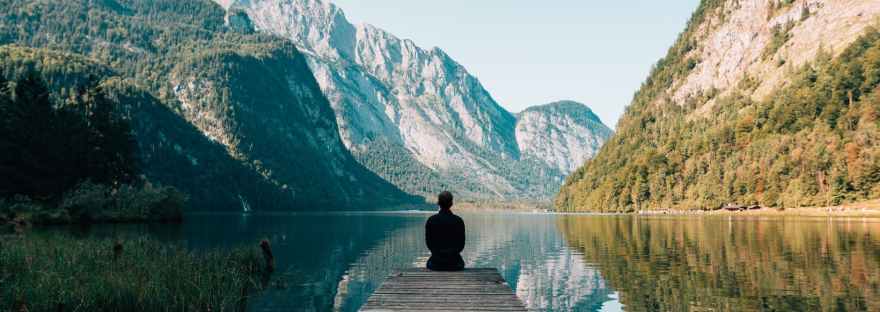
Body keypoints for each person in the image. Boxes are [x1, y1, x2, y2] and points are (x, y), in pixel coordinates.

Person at [425, 191, 465, 271]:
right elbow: (461, 245)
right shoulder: (458, 221)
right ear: (451, 203)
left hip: (436, 264)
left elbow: (429, 244)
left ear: (438, 203)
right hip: (455, 264)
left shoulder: (431, 220)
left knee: (429, 263)